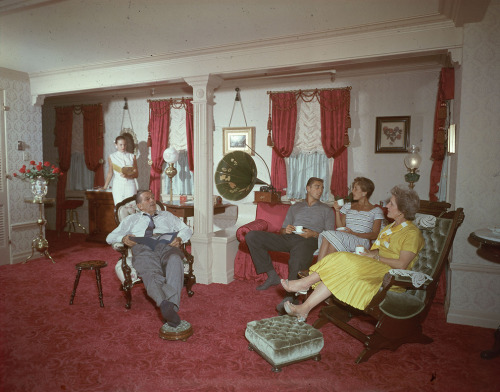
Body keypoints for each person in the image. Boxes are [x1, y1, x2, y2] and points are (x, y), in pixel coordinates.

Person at [281, 185, 424, 322]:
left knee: (342, 258)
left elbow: (402, 264)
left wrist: (375, 256)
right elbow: (376, 250)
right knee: (338, 261)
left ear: (402, 210)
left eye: (391, 204)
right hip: (375, 265)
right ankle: (304, 308)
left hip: (390, 274)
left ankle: (304, 284)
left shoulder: (412, 233)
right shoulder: (389, 228)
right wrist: (367, 252)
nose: (386, 206)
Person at [245, 177, 335, 313]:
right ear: (308, 188)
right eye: (317, 186)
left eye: (322, 187)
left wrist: (313, 234)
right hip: (290, 237)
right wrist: (285, 230)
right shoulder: (295, 207)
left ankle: (290, 297)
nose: (320, 190)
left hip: (309, 240)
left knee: (298, 253)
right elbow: (282, 229)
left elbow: (330, 235)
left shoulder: (327, 210)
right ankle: (272, 275)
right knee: (252, 236)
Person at [106, 190, 193, 327]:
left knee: (175, 260)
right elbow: (110, 237)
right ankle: (164, 304)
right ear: (139, 206)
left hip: (167, 246)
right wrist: (122, 238)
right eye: (147, 199)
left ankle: (171, 308)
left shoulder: (167, 215)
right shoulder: (132, 219)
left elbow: (186, 229)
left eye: (153, 197)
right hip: (143, 248)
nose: (152, 201)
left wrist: (180, 238)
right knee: (150, 272)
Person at [316, 177, 384, 261]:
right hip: (346, 237)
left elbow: (375, 234)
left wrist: (353, 233)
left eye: (356, 189)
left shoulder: (376, 211)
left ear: (364, 193)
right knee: (331, 241)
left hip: (361, 241)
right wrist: (337, 211)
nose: (352, 191)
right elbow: (340, 227)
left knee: (328, 235)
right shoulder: (348, 206)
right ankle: (322, 270)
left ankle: (317, 270)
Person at [101, 135, 138, 205]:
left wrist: (127, 176)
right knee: (119, 207)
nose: (123, 147)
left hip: (130, 185)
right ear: (116, 145)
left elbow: (136, 174)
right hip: (118, 186)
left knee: (131, 207)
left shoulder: (132, 156)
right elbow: (110, 173)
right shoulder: (112, 157)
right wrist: (105, 187)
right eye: (120, 145)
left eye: (124, 144)